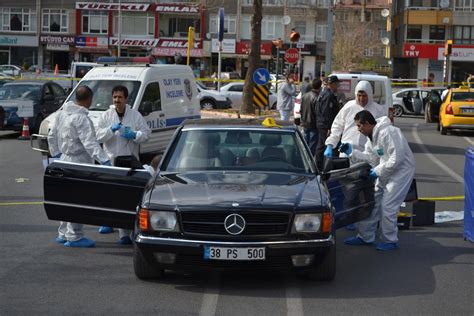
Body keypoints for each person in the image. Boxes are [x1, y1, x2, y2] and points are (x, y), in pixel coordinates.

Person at [339, 110, 415, 251]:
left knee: (388, 207)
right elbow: (371, 157)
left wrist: (378, 171)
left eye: (359, 126)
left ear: (367, 123)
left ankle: (390, 240)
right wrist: (352, 152)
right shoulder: (372, 137)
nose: (358, 129)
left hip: (401, 173)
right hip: (386, 171)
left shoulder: (389, 132)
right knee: (371, 203)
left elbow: (397, 158)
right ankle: (365, 237)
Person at [48, 85, 111, 248]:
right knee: (77, 199)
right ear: (89, 99)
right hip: (79, 162)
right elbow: (90, 143)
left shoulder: (62, 114)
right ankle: (74, 235)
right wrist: (104, 160)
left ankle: (63, 233)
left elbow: (51, 135)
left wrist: (55, 153)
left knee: (65, 198)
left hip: (63, 160)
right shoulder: (81, 118)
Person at [95, 85, 151, 245]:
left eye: (120, 97)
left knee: (128, 196)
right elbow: (97, 136)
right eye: (114, 97)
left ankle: (125, 232)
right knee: (110, 194)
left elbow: (146, 135)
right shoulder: (106, 116)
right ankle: (107, 222)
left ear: (126, 99)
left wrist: (134, 135)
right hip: (111, 161)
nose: (117, 100)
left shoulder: (135, 115)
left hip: (129, 161)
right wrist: (110, 130)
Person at [325, 80, 388, 157]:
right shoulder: (349, 107)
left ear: (370, 95)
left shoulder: (379, 110)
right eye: (359, 95)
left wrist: (381, 154)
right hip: (346, 150)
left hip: (366, 153)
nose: (361, 99)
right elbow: (338, 126)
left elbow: (383, 133)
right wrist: (330, 144)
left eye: (364, 96)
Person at [315, 75, 340, 169]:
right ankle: (319, 166)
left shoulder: (323, 93)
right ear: (332, 84)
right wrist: (329, 127)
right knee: (322, 145)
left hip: (321, 123)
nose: (337, 86)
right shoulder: (328, 95)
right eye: (336, 84)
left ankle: (319, 164)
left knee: (321, 145)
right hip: (325, 124)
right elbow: (327, 112)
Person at [300, 78, 322, 155]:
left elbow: (301, 109)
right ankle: (309, 161)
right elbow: (317, 112)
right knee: (312, 145)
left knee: (305, 143)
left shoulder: (304, 96)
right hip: (313, 123)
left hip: (304, 122)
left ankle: (304, 158)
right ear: (320, 87)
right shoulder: (316, 97)